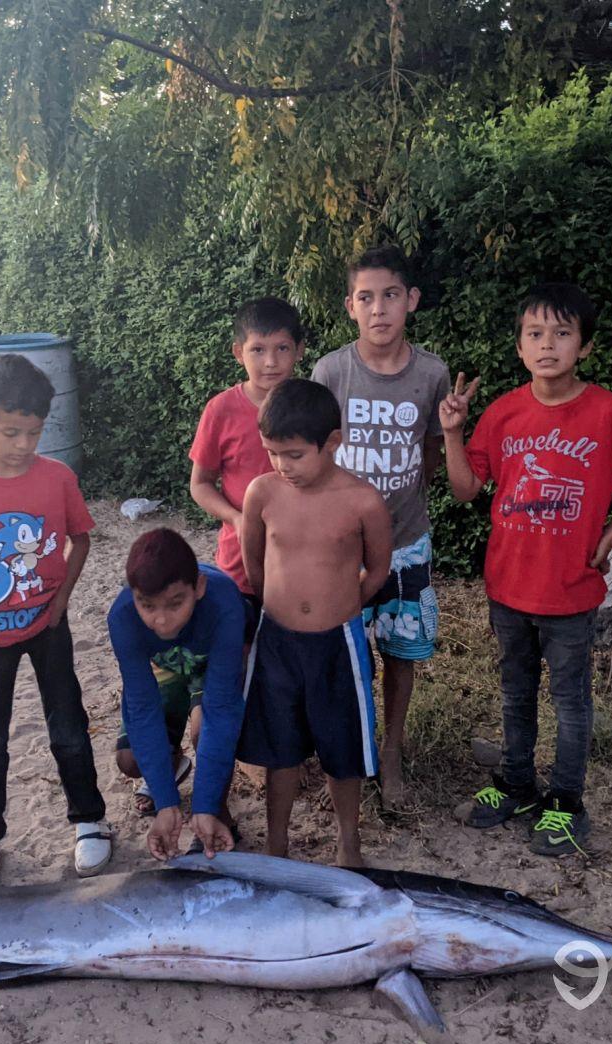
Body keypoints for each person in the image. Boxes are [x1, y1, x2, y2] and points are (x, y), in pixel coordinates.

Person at [441, 282, 612, 856]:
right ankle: (517, 784)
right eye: (535, 334)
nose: (547, 344)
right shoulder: (502, 414)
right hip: (508, 586)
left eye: (561, 333)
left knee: (571, 701)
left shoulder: (608, 412)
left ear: (585, 347)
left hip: (572, 592)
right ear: (520, 347)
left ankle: (566, 801)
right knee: (514, 693)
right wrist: (452, 431)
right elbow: (464, 489)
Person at [0, 353, 110, 883]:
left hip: (49, 627)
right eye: (11, 433)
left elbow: (81, 538)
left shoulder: (56, 478)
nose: (25, 446)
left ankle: (89, 821)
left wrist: (61, 601)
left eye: (33, 432)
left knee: (68, 724)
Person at [312, 246, 451, 808]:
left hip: (407, 543)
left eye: (390, 295)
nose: (379, 309)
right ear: (350, 306)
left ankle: (390, 751)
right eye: (365, 298)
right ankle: (349, 751)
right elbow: (316, 454)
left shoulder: (433, 373)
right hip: (344, 545)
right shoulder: (331, 371)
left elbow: (435, 451)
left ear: (411, 301)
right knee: (346, 652)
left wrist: (407, 486)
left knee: (401, 651)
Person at [237, 379, 393, 866]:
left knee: (342, 747)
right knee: (279, 749)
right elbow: (255, 562)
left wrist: (343, 603)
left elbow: (380, 567)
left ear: (332, 442)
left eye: (295, 454)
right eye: (272, 453)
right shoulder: (262, 493)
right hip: (278, 642)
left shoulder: (362, 500)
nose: (283, 466)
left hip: (338, 644)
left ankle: (349, 841)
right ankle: (276, 842)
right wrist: (279, 605)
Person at [108, 528, 246, 860]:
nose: (161, 619)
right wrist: (166, 804)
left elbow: (223, 708)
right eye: (147, 604)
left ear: (198, 587)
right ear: (134, 595)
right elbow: (142, 709)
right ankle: (172, 774)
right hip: (165, 664)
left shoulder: (225, 603)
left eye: (175, 603)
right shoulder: (122, 618)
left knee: (206, 731)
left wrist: (204, 805)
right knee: (129, 760)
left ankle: (214, 812)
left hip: (208, 662)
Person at [190, 297, 305, 630]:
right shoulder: (220, 410)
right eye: (258, 350)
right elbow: (200, 484)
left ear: (299, 350)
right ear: (238, 352)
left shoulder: (313, 406)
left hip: (303, 561)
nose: (270, 362)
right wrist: (237, 519)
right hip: (239, 563)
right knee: (242, 657)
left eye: (282, 348)